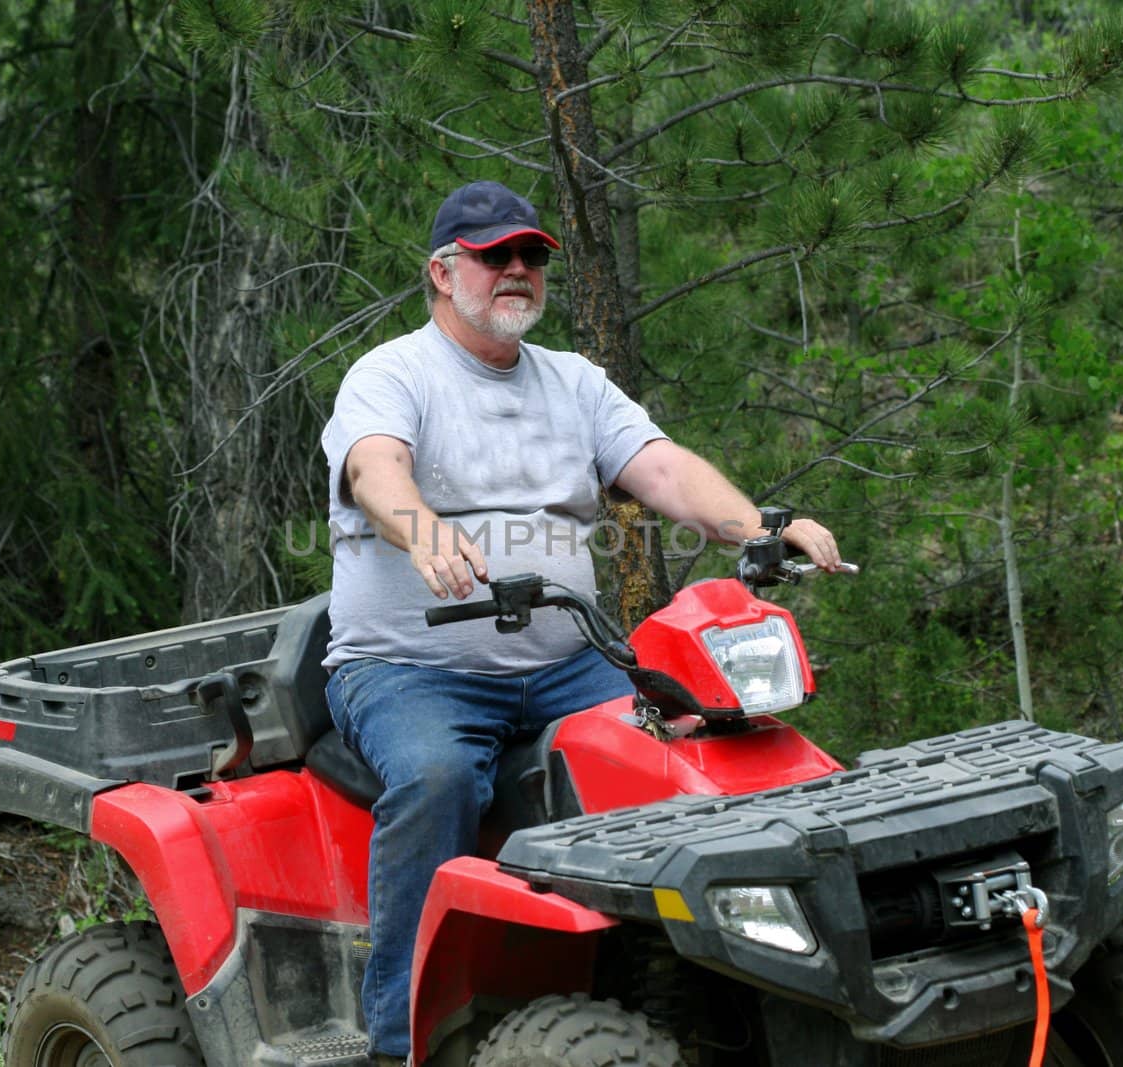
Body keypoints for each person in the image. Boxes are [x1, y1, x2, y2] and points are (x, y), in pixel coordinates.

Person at [320, 180, 839, 1064]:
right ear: (443, 273)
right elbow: (375, 469)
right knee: (439, 779)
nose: (517, 270)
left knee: (698, 742)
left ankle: (718, 981)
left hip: (566, 663)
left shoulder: (573, 382)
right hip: (410, 669)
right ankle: (399, 1036)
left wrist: (761, 528)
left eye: (531, 256)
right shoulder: (392, 373)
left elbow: (664, 469)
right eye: (495, 256)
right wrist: (422, 529)